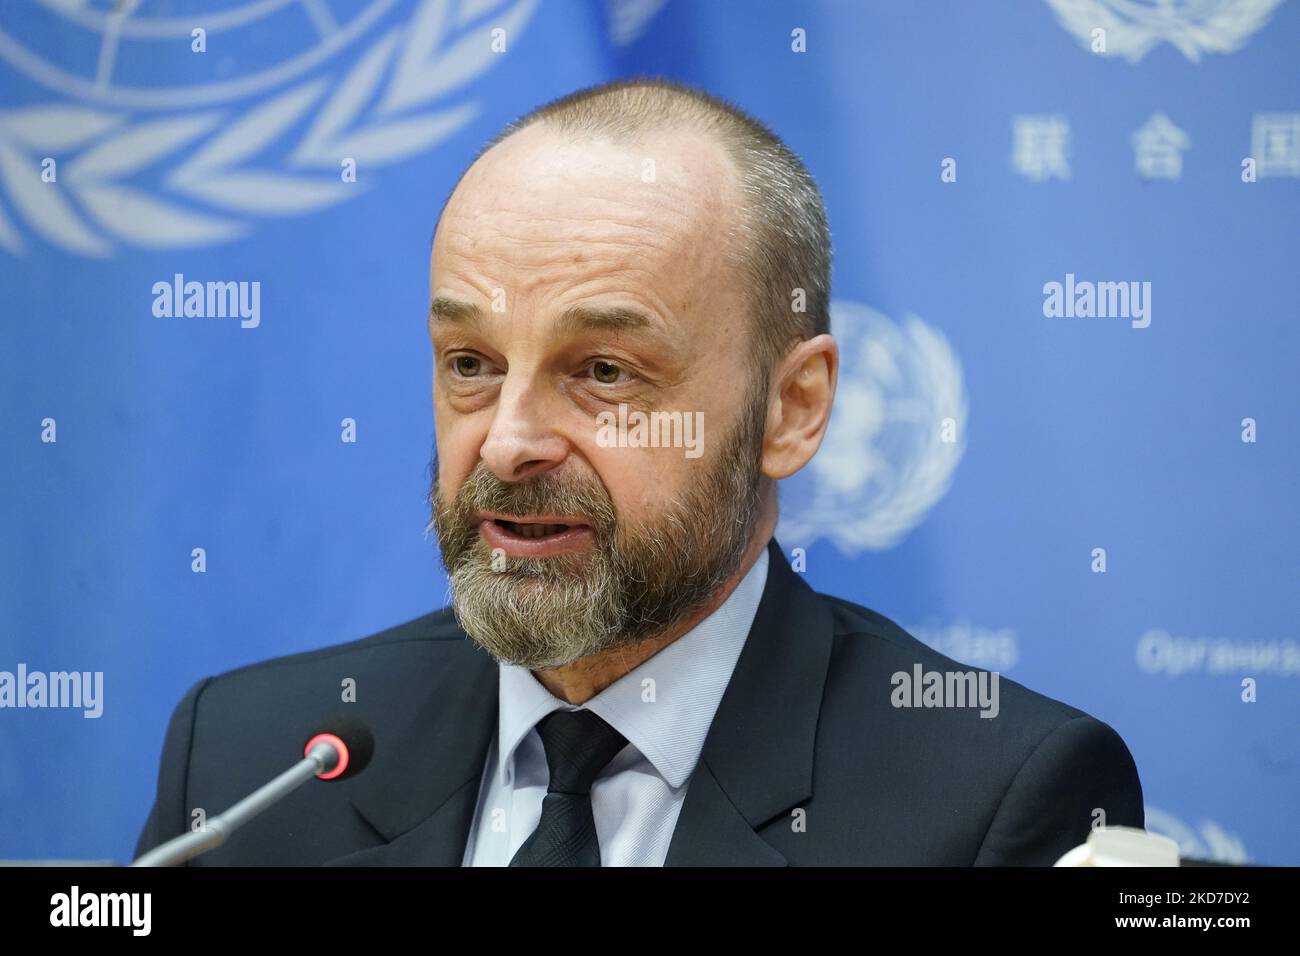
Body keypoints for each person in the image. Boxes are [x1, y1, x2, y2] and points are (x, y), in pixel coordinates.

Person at [135, 78, 1143, 866]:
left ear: (789, 412)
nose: (505, 443)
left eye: (604, 372)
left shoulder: (994, 799)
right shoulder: (250, 758)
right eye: (471, 365)